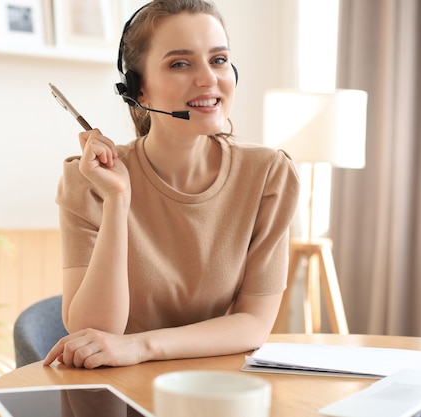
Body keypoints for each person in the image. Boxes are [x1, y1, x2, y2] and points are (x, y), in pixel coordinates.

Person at [43, 0, 300, 369]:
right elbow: (93, 330)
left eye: (219, 60)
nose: (208, 78)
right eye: (180, 63)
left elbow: (254, 324)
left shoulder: (267, 176)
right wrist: (118, 199)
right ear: (138, 90)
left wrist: (142, 346)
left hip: (213, 387)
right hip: (115, 390)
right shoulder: (89, 181)